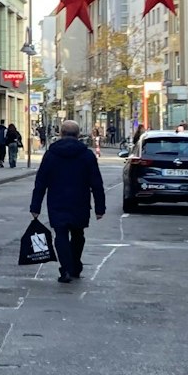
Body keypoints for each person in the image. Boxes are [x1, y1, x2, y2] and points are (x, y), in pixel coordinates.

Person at [29, 120, 107, 283]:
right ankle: (75, 266)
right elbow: (96, 183)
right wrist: (100, 207)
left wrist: (35, 206)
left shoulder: (51, 154)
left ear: (61, 134)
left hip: (57, 201)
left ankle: (65, 269)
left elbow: (41, 181)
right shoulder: (86, 155)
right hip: (80, 201)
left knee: (61, 234)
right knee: (78, 234)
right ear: (78, 135)